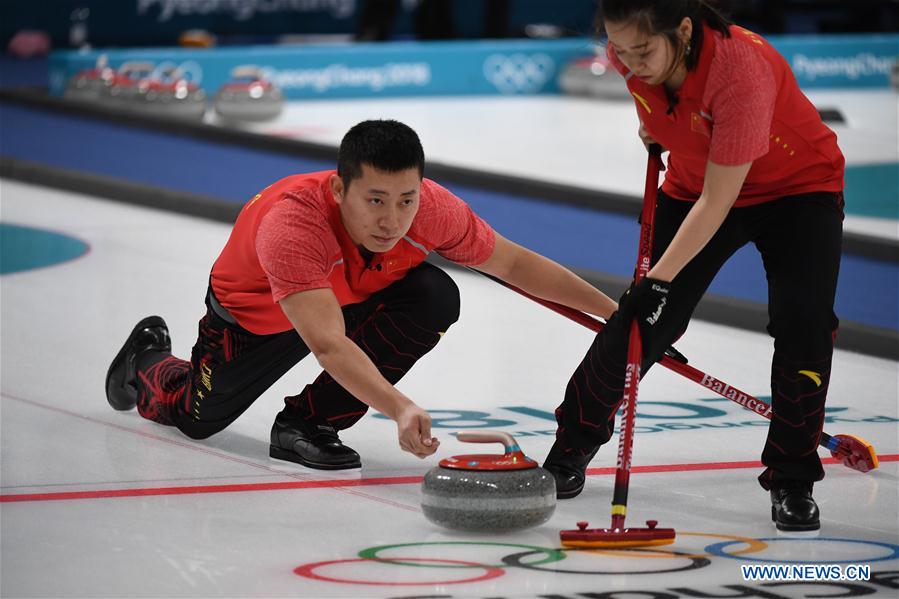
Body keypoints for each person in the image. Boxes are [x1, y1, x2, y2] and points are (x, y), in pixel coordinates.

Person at [106, 119, 617, 469]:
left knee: (434, 295)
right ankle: (147, 358)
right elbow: (327, 343)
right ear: (338, 190)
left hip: (348, 296)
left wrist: (617, 312)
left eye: (405, 200)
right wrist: (399, 407)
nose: (391, 220)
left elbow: (511, 262)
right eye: (374, 200)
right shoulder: (293, 225)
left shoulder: (432, 209)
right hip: (257, 318)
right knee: (196, 419)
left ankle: (307, 425)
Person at [542, 0, 844, 533]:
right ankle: (570, 447)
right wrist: (658, 128)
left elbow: (719, 201)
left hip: (796, 189)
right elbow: (654, 101)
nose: (630, 62)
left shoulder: (740, 72)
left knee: (804, 323)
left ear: (683, 30)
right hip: (694, 184)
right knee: (642, 323)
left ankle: (792, 476)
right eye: (621, 49)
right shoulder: (628, 54)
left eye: (644, 50)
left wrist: (657, 281)